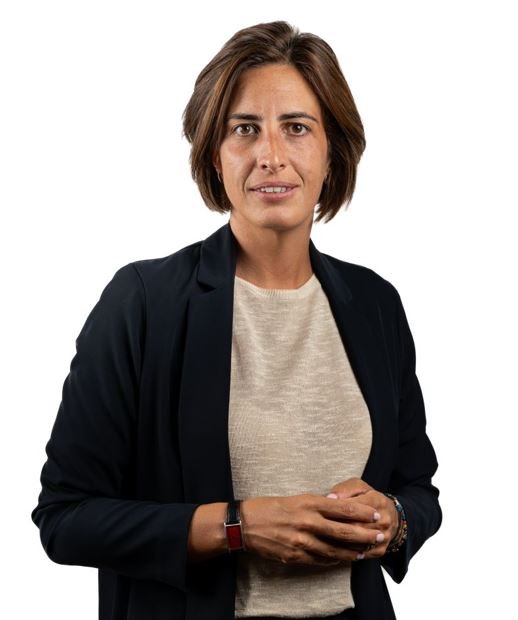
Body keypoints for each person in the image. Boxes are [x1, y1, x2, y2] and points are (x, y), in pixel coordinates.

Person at [31, 20, 441, 620]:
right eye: (244, 129)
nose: (271, 156)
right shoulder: (142, 302)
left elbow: (418, 489)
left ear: (332, 152)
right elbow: (65, 518)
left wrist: (393, 519)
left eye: (296, 127)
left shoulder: (375, 303)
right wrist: (236, 526)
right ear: (214, 155)